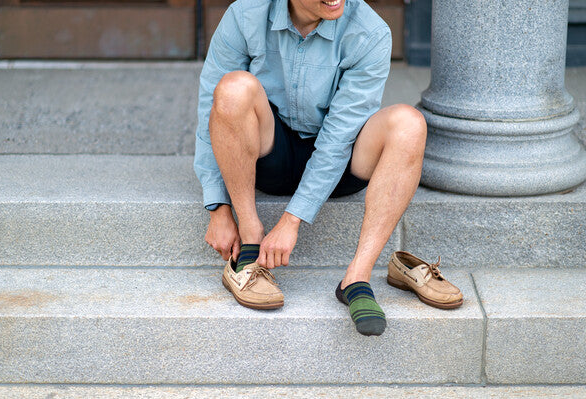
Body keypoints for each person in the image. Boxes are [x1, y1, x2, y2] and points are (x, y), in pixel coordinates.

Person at [194, 0, 458, 337]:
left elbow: (338, 139)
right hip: (270, 155)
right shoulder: (246, 14)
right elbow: (210, 113)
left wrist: (292, 220)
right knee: (232, 89)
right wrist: (218, 207)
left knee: (409, 123)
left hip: (342, 159)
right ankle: (250, 241)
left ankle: (356, 278)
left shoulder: (370, 31)